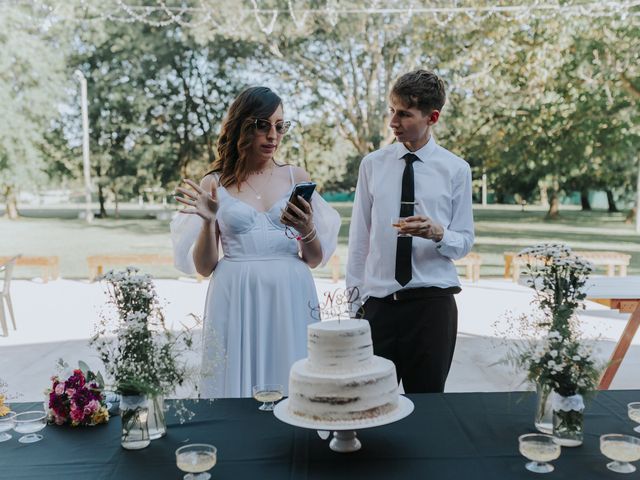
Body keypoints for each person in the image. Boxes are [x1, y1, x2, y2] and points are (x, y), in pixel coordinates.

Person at [170, 86, 341, 398]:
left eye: (279, 126)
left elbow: (313, 259)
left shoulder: (295, 177)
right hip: (236, 293)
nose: (273, 135)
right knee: (236, 376)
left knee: (291, 377)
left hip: (290, 291)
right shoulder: (215, 182)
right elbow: (204, 267)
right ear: (241, 126)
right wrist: (208, 221)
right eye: (263, 125)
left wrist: (307, 228)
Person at [346, 70, 474, 393]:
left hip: (432, 309)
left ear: (432, 117)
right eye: (392, 110)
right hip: (377, 308)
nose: (393, 122)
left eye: (404, 114)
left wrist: (438, 233)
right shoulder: (372, 165)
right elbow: (359, 239)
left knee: (427, 409)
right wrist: (356, 305)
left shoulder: (456, 170)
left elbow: (465, 242)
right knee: (370, 404)